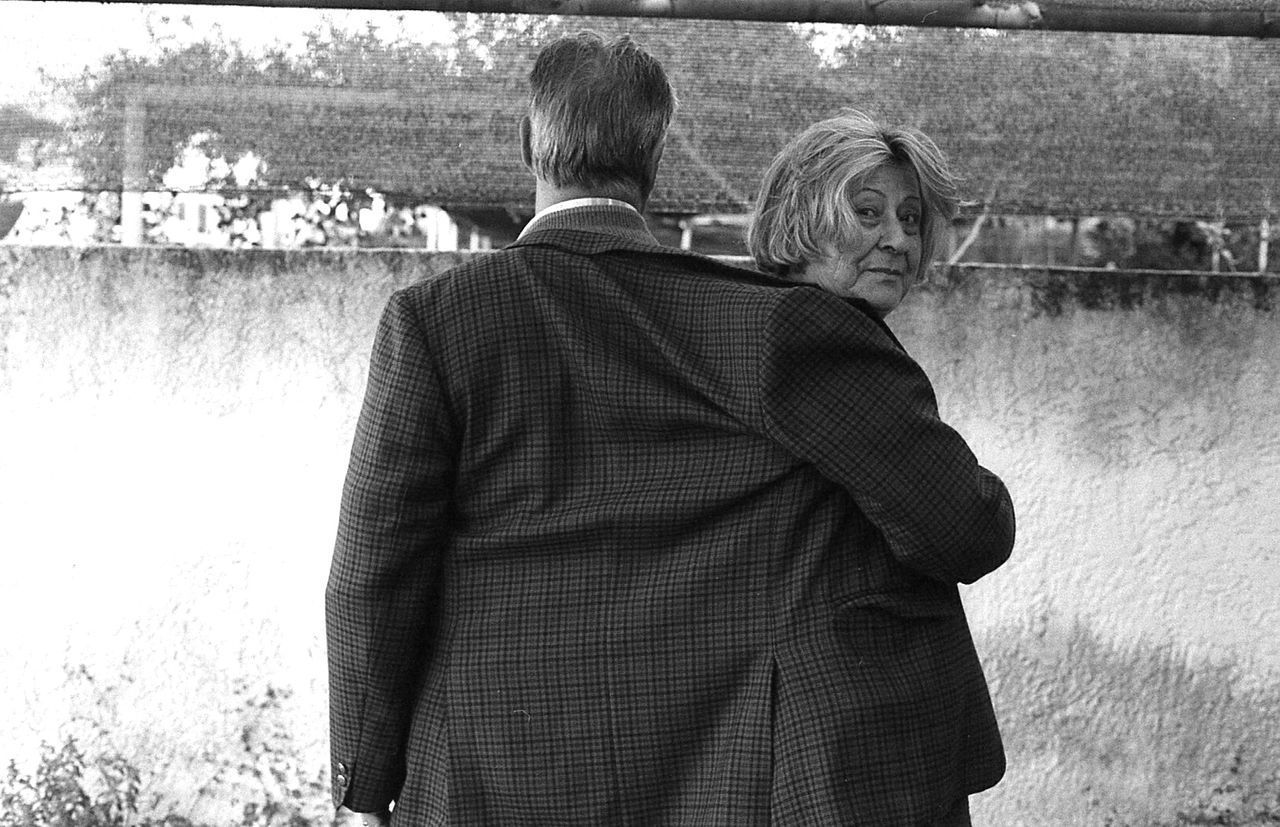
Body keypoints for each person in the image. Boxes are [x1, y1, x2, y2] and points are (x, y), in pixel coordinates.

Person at [326, 32, 1014, 827]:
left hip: (491, 759)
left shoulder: (434, 320)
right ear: (657, 150)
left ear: (527, 142)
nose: (894, 234)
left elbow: (371, 574)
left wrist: (362, 788)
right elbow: (956, 523)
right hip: (711, 763)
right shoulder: (764, 326)